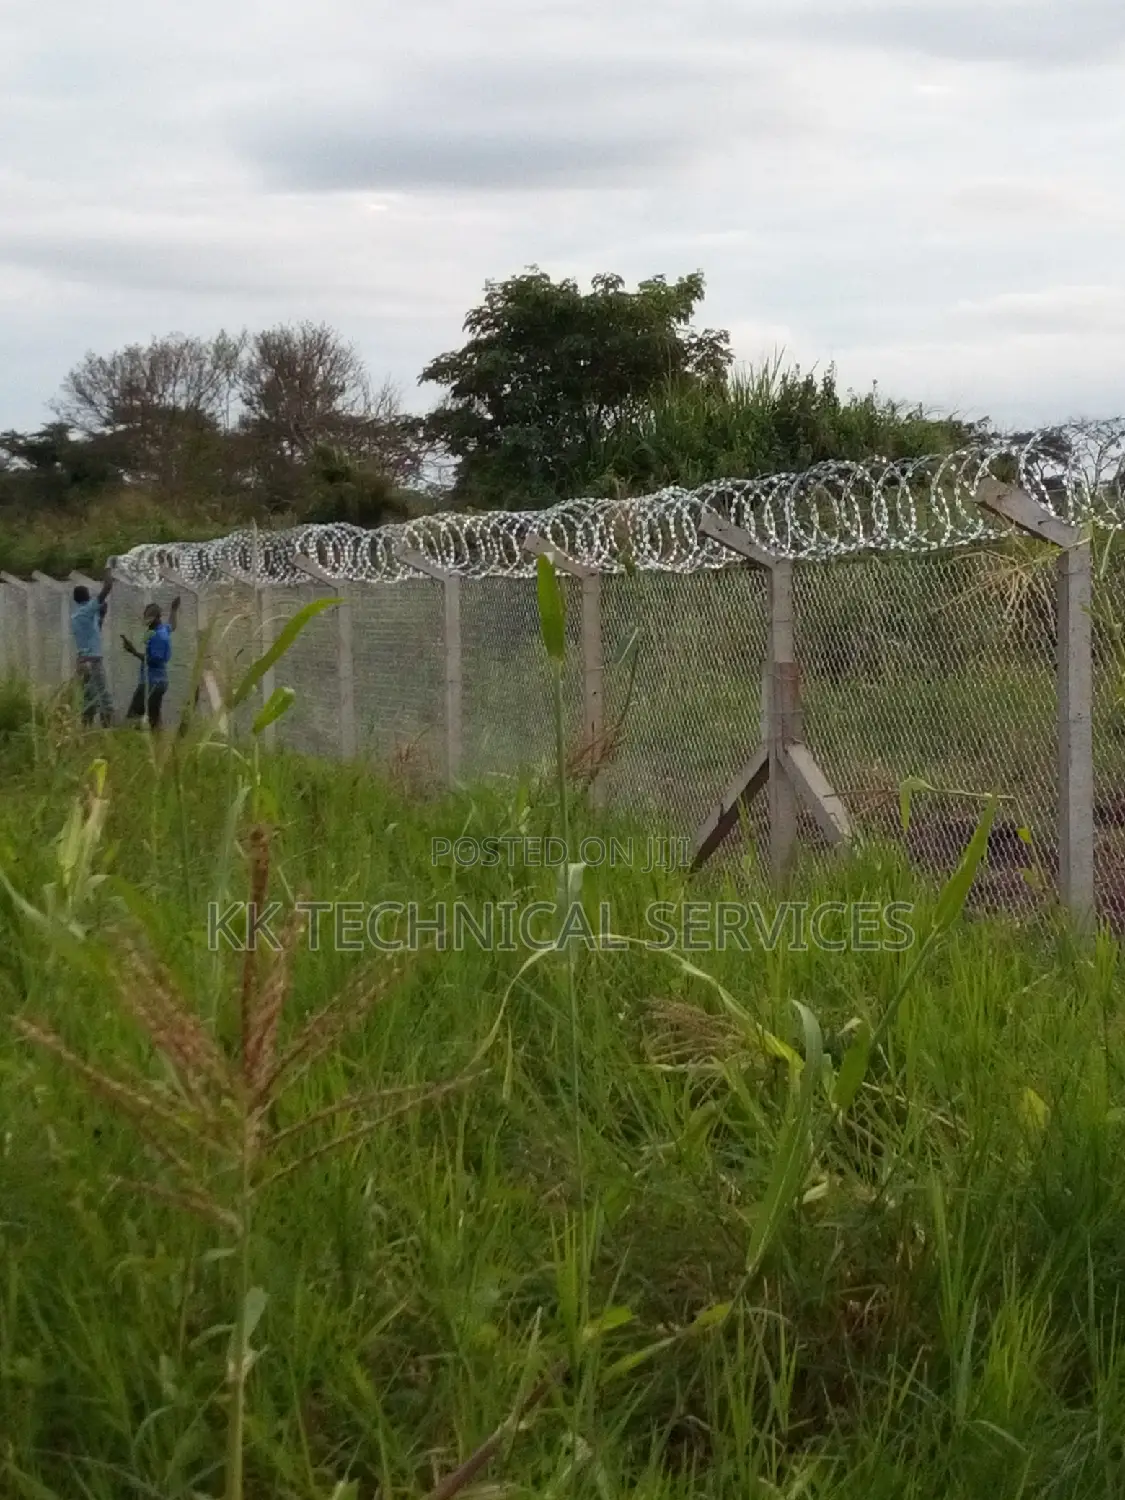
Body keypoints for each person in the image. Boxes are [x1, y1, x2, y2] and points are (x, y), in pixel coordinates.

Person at [122, 597, 180, 732]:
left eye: (148, 618)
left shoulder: (158, 635)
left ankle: (135, 743)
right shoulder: (160, 630)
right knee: (154, 718)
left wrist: (133, 652)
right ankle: (160, 747)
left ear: (155, 618)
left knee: (133, 716)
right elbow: (172, 625)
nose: (146, 622)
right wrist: (174, 609)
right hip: (159, 681)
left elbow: (154, 660)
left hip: (151, 682)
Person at [71, 569, 115, 727]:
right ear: (87, 597)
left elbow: (95, 631)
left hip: (82, 662)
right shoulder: (88, 610)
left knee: (89, 699)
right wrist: (108, 570)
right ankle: (107, 733)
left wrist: (102, 615)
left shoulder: (79, 615)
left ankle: (85, 732)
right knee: (104, 699)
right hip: (92, 662)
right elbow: (107, 587)